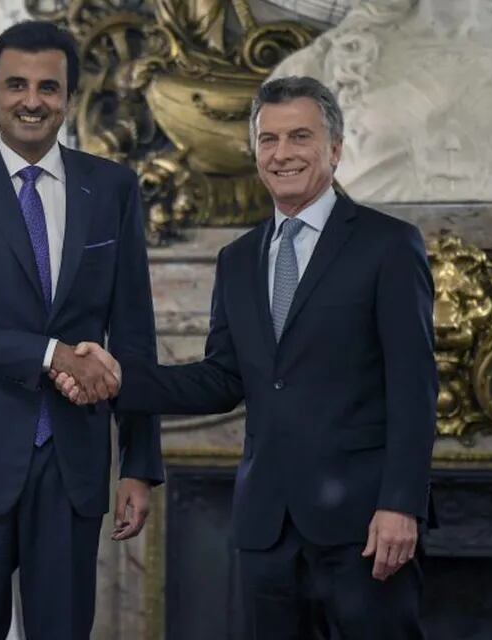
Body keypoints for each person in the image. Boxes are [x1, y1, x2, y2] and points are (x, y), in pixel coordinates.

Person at [55, 76, 437, 639]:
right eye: (268, 139)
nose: (282, 153)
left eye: (299, 137)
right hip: (266, 527)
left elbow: (414, 386)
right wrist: (116, 380)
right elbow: (221, 379)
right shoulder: (237, 259)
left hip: (365, 525)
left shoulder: (388, 245)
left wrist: (401, 505)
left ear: (334, 148)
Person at [0, 20, 164, 640]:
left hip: (72, 462)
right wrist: (51, 354)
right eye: (16, 85)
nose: (32, 100)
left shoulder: (114, 189)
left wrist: (139, 463)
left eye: (49, 87)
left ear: (69, 98)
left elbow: (134, 335)